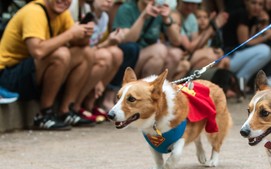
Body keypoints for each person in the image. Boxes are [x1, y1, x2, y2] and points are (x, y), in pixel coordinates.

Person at [0, 0, 95, 130]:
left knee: (87, 53)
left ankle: (66, 111)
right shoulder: (34, 12)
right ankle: (45, 114)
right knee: (61, 54)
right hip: (8, 75)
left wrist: (84, 35)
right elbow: (38, 51)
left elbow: (79, 45)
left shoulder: (62, 13)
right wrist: (70, 34)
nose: (63, 0)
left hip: (33, 72)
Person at [69, 0, 124, 121]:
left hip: (88, 53)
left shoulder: (103, 17)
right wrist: (107, 43)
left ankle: (90, 103)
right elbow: (85, 46)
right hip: (76, 53)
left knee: (117, 53)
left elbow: (94, 45)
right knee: (105, 56)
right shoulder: (76, 7)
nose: (109, 1)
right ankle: (76, 106)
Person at [111, 0, 181, 78]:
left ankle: (161, 87)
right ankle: (145, 88)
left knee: (176, 54)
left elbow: (176, 41)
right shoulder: (127, 8)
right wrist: (143, 17)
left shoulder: (159, 9)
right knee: (160, 50)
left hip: (149, 54)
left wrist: (166, 19)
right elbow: (128, 41)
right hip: (129, 58)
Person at [222, 0, 271, 91]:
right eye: (253, 3)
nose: (257, 7)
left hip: (236, 56)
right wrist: (266, 37)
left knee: (267, 51)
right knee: (266, 51)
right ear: (246, 2)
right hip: (228, 57)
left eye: (260, 4)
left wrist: (264, 22)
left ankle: (239, 82)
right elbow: (245, 42)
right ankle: (240, 80)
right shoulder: (242, 14)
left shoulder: (252, 17)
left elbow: (252, 38)